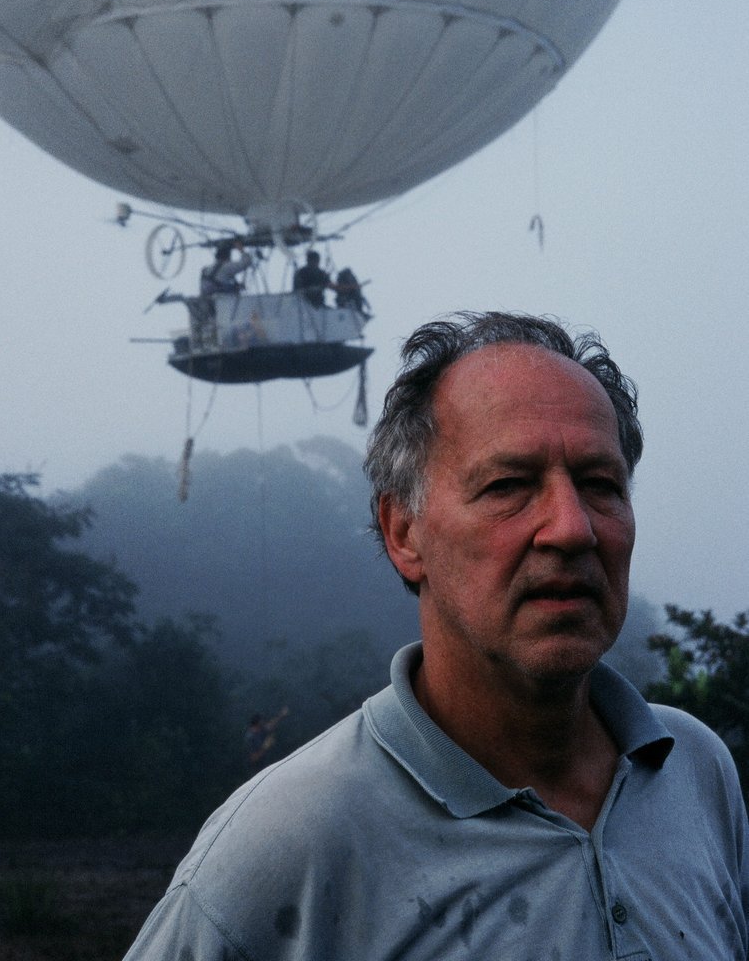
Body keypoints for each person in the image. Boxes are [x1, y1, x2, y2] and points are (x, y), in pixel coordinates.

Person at [123, 312, 749, 960]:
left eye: (601, 485)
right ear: (403, 532)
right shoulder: (286, 842)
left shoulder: (693, 771)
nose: (571, 529)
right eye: (508, 485)